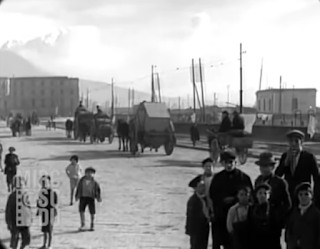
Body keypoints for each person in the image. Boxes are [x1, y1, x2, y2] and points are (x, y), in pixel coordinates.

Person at [209, 149, 253, 249]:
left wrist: (234, 200)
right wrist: (221, 201)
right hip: (221, 215)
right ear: (222, 163)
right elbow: (213, 194)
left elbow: (250, 196)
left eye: (231, 162)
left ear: (235, 162)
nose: (228, 165)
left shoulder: (243, 178)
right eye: (225, 162)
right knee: (219, 241)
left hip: (238, 217)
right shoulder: (218, 178)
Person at [275, 130, 320, 208]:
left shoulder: (309, 157)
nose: (293, 144)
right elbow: (277, 175)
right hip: (288, 195)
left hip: (303, 194)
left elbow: (317, 178)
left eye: (296, 141)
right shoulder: (285, 156)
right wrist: (285, 163)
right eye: (291, 141)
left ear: (301, 142)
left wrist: (316, 197)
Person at [254, 151, 291, 234]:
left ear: (273, 167)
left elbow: (287, 204)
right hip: (259, 220)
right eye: (262, 166)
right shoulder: (258, 181)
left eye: (266, 166)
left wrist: (277, 216)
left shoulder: (280, 182)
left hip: (274, 222)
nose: (264, 169)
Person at [285, 182, 320, 249]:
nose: (303, 197)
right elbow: (289, 231)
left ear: (311, 196)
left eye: (306, 194)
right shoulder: (294, 213)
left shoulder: (316, 214)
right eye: (300, 194)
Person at [247, 183, 281, 249]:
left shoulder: (273, 209)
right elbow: (249, 225)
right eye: (260, 193)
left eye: (265, 193)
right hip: (255, 241)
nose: (262, 195)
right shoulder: (252, 208)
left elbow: (276, 227)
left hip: (270, 242)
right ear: (256, 195)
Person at [5, 175, 32, 249]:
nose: (20, 187)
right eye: (18, 185)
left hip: (24, 221)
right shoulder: (12, 197)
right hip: (14, 221)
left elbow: (28, 208)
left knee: (26, 239)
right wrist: (8, 222)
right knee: (15, 238)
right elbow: (8, 210)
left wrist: (29, 218)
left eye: (21, 185)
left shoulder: (25, 195)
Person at [186, 175, 210, 249]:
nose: (203, 188)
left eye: (203, 186)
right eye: (200, 186)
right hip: (195, 229)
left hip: (204, 228)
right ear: (195, 188)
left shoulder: (205, 199)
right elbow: (190, 216)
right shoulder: (193, 200)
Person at [75, 167, 102, 231]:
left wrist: (98, 197)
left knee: (92, 212)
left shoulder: (95, 182)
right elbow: (78, 188)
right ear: (85, 173)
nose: (89, 174)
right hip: (83, 197)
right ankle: (82, 224)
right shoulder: (81, 181)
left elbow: (98, 190)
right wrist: (77, 196)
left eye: (91, 173)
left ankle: (92, 224)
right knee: (81, 210)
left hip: (91, 197)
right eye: (88, 173)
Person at [36, 175, 58, 249]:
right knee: (44, 229)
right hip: (44, 213)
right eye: (42, 183)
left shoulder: (52, 192)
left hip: (50, 213)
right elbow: (39, 202)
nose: (43, 184)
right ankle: (44, 244)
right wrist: (38, 209)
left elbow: (55, 202)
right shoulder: (41, 193)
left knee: (50, 229)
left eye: (45, 183)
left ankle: (49, 245)